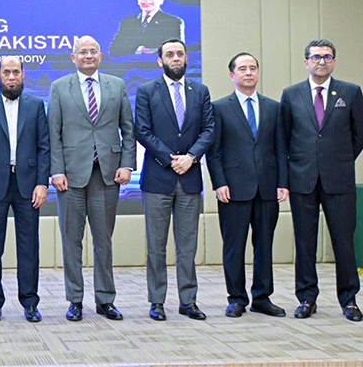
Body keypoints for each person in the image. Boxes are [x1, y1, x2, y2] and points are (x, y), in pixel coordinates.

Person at [48, 36, 136, 322]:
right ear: (73, 58)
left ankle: (105, 300)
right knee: (72, 241)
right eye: (82, 52)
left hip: (107, 175)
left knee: (104, 241)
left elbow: (128, 130)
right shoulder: (59, 88)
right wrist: (56, 170)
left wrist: (128, 165)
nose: (87, 55)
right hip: (71, 177)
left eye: (92, 51)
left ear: (100, 56)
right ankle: (75, 300)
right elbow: (54, 134)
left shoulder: (117, 85)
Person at [279, 39, 363, 321]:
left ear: (334, 62)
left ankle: (349, 299)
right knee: (305, 243)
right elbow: (285, 138)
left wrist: (339, 159)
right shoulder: (291, 95)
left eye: (327, 57)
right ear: (306, 62)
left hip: (338, 180)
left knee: (344, 242)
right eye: (316, 57)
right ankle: (306, 298)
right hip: (302, 179)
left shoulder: (350, 92)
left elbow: (358, 135)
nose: (321, 62)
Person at [135, 38, 214, 321]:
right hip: (158, 178)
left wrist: (191, 157)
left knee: (187, 246)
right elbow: (142, 131)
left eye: (180, 53)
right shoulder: (146, 91)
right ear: (160, 61)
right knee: (156, 245)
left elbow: (209, 129)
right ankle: (156, 301)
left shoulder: (200, 91)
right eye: (170, 54)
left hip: (190, 178)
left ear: (186, 58)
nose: (176, 58)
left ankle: (188, 301)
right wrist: (171, 159)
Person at [206, 53, 288, 318]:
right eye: (242, 69)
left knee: (264, 244)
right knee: (234, 245)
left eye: (253, 68)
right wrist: (219, 182)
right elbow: (214, 151)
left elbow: (280, 149)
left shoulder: (273, 107)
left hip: (267, 188)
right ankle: (237, 298)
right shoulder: (219, 108)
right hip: (233, 189)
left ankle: (262, 298)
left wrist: (282, 183)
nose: (249, 72)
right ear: (232, 75)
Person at [0, 56, 50, 323]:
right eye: (7, 72)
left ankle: (30, 302)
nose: (12, 77)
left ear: (24, 74)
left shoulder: (37, 105)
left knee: (29, 246)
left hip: (29, 186)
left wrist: (42, 183)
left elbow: (44, 148)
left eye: (16, 72)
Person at [109, 0, 185, 57]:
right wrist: (140, 50)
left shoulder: (173, 22)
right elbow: (114, 50)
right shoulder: (127, 22)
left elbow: (175, 52)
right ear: (138, 0)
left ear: (162, 0)